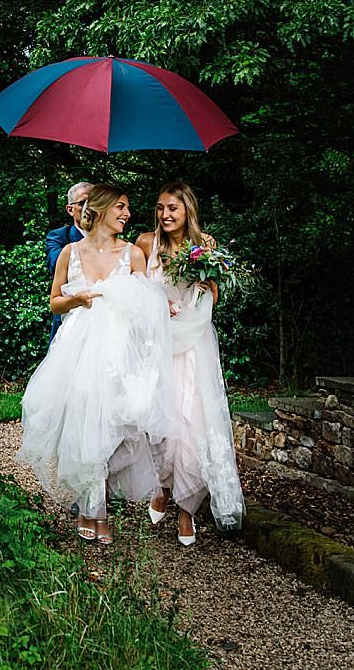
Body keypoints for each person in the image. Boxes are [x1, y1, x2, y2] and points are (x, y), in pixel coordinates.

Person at [18, 184, 175, 545]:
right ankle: (92, 511)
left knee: (115, 429)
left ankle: (99, 503)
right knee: (86, 425)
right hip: (79, 348)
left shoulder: (134, 254)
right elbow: (54, 302)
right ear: (101, 209)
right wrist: (77, 298)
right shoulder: (70, 253)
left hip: (120, 352)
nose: (127, 214)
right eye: (121, 207)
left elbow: (148, 306)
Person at [135, 182, 245, 546]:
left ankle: (186, 510)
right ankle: (162, 488)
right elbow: (134, 295)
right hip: (159, 344)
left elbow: (214, 296)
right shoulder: (145, 244)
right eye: (161, 207)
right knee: (159, 424)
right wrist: (156, 307)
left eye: (173, 209)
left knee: (192, 422)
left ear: (187, 212)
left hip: (194, 344)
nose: (165, 214)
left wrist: (202, 286)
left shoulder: (206, 246)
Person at [45, 181, 92, 340]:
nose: (89, 207)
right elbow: (56, 265)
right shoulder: (58, 237)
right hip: (70, 322)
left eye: (94, 202)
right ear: (70, 209)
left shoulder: (113, 240)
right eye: (83, 202)